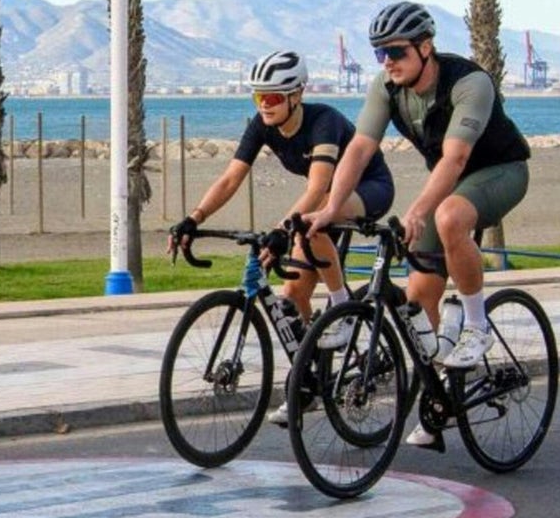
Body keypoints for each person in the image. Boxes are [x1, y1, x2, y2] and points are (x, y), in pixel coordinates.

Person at [303, 1, 533, 449]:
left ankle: (475, 326)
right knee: (417, 300)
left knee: (447, 216)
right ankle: (440, 396)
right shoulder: (387, 86)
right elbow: (360, 149)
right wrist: (332, 208)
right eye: (380, 54)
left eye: (396, 52)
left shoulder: (470, 83)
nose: (388, 62)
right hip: (451, 178)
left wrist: (419, 210)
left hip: (501, 171)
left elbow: (456, 158)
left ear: (426, 48)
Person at [167, 51, 395, 426]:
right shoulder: (262, 125)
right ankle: (308, 382)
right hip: (321, 201)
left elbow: (321, 187)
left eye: (272, 97)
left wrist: (281, 228)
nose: (264, 105)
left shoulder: (324, 121)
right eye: (258, 97)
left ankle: (344, 312)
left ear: (296, 95)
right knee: (292, 300)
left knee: (311, 222)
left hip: (366, 190)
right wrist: (194, 218)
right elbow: (230, 179)